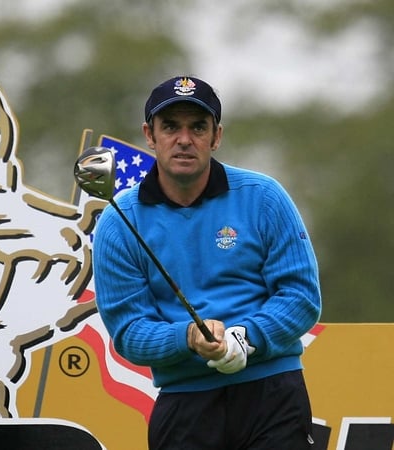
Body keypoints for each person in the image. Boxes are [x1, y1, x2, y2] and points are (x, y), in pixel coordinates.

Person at [92, 76, 321, 449]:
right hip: (185, 401)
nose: (184, 139)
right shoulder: (119, 222)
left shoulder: (264, 197)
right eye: (171, 127)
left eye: (198, 127)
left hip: (272, 392)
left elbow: (301, 297)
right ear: (150, 135)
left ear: (216, 137)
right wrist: (188, 338)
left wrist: (244, 338)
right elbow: (129, 332)